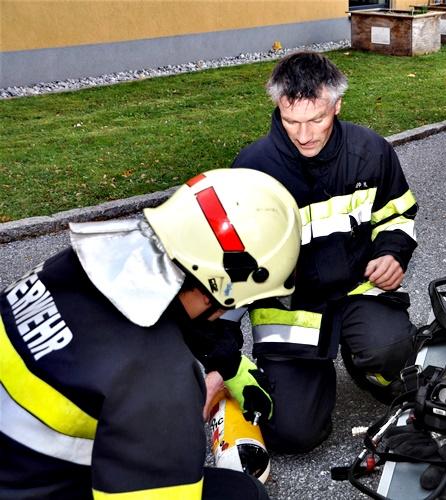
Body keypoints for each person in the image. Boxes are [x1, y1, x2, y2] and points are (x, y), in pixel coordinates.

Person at [0, 169, 301, 499]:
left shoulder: (82, 263)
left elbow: (168, 309)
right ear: (220, 294)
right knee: (244, 494)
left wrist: (227, 364)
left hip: (20, 465)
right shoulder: (159, 381)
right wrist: (175, 425)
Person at [228, 51, 419, 453]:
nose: (304, 135)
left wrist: (392, 253)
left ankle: (369, 368)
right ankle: (310, 380)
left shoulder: (371, 152)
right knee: (292, 434)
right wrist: (222, 358)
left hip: (357, 289)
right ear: (278, 108)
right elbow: (230, 267)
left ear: (337, 105)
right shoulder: (251, 169)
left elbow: (397, 214)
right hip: (292, 311)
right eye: (291, 121)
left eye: (316, 119)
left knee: (389, 350)